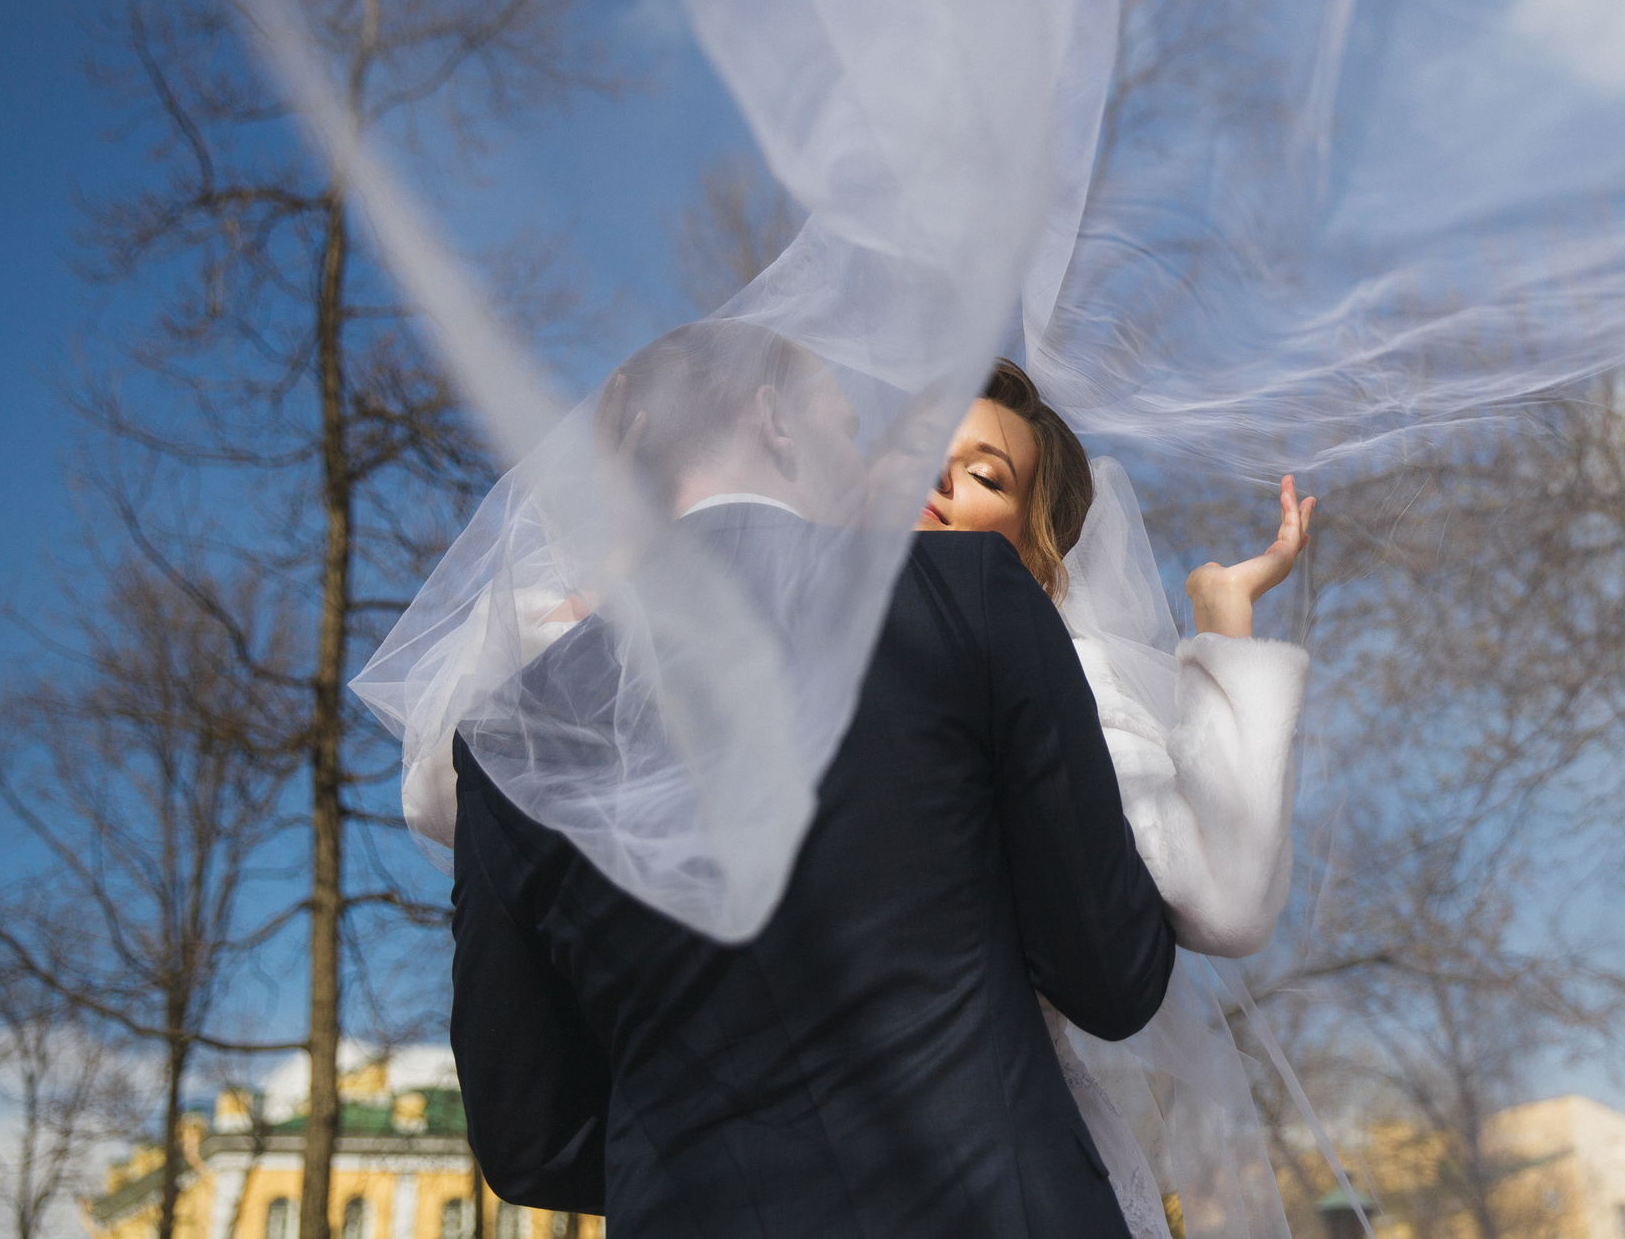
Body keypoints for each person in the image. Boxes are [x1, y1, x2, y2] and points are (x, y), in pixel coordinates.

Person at [447, 321, 1178, 1237]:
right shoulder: (966, 593)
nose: (865, 456)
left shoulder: (508, 737)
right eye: (844, 425)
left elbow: (526, 1137)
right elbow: (1113, 978)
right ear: (775, 421)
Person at [917, 360, 1315, 1239]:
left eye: (986, 475)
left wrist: (1224, 620)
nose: (938, 479)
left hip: (1006, 1169)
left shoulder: (1058, 683)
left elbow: (1227, 898)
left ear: (1038, 558)